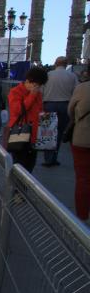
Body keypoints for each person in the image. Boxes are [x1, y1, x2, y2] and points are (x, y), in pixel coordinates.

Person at [5, 67, 48, 173]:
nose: (38, 88)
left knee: (30, 166)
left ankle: (22, 189)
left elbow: (39, 109)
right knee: (19, 166)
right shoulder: (15, 92)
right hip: (20, 133)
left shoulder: (38, 94)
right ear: (29, 81)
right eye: (37, 85)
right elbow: (18, 110)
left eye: (40, 86)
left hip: (33, 136)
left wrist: (44, 115)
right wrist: (32, 95)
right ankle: (17, 189)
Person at [42, 56, 78, 167]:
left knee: (48, 132)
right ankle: (54, 157)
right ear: (66, 64)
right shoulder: (72, 76)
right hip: (65, 105)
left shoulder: (48, 75)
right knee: (59, 132)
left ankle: (48, 158)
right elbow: (76, 91)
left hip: (49, 105)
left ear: (55, 63)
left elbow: (41, 90)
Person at [68, 81, 90, 222]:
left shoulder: (82, 88)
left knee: (83, 179)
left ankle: (82, 217)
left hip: (83, 137)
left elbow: (71, 110)